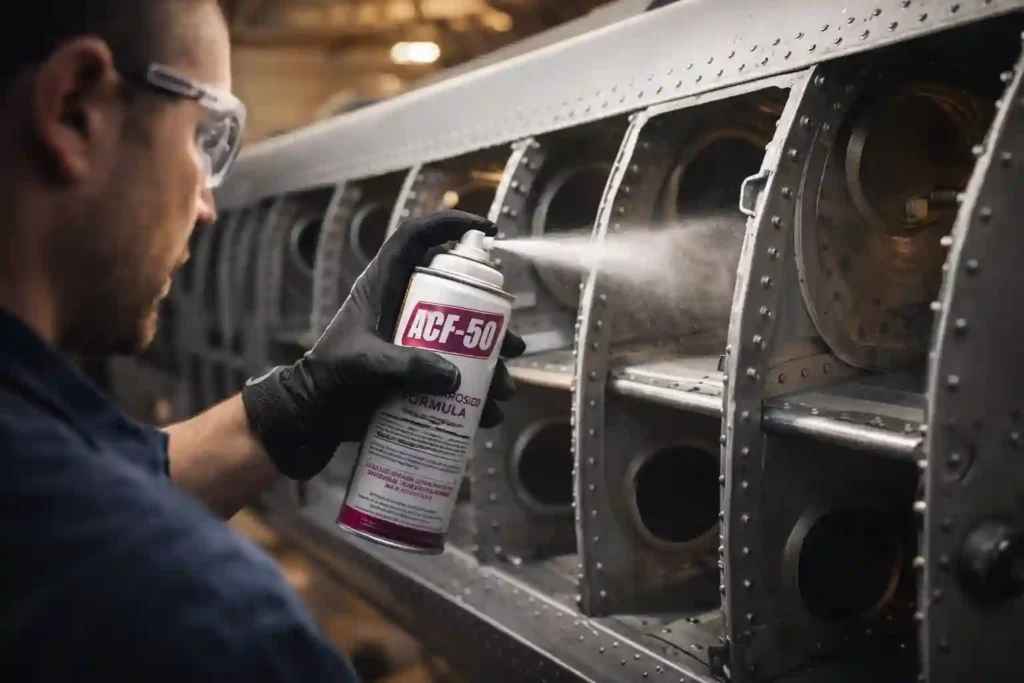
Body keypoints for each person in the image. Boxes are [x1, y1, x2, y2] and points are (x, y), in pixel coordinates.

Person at [0, 1, 526, 680]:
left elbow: (92, 492)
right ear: (76, 109)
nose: (207, 206)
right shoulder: (214, 626)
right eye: (204, 138)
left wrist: (290, 407)